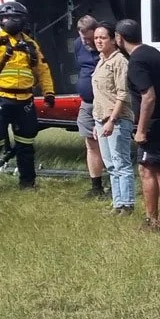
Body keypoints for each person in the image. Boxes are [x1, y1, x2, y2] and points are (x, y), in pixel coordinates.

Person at [0, 2, 54, 192]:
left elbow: (43, 69)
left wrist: (49, 92)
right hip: (0, 98)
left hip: (25, 101)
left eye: (16, 18)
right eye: (7, 18)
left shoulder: (30, 44)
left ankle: (27, 184)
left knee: (26, 143)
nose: (12, 21)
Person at [116, 19, 160, 231]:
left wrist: (141, 130)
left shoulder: (136, 60)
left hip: (157, 124)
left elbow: (148, 97)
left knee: (145, 169)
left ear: (119, 38)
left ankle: (151, 221)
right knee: (156, 169)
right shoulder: (151, 52)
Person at [89, 22, 137, 215]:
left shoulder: (120, 62)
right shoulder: (101, 60)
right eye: (96, 38)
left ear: (113, 40)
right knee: (110, 164)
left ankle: (127, 203)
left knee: (121, 162)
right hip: (101, 119)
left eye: (103, 38)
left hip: (116, 119)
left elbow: (122, 94)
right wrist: (97, 122)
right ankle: (117, 204)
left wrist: (111, 119)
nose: (99, 41)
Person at [72, 14, 106, 199]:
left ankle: (118, 187)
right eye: (82, 37)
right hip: (87, 103)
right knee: (90, 143)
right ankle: (96, 186)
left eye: (89, 38)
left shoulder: (107, 45)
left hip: (106, 103)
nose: (85, 41)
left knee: (109, 144)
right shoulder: (79, 44)